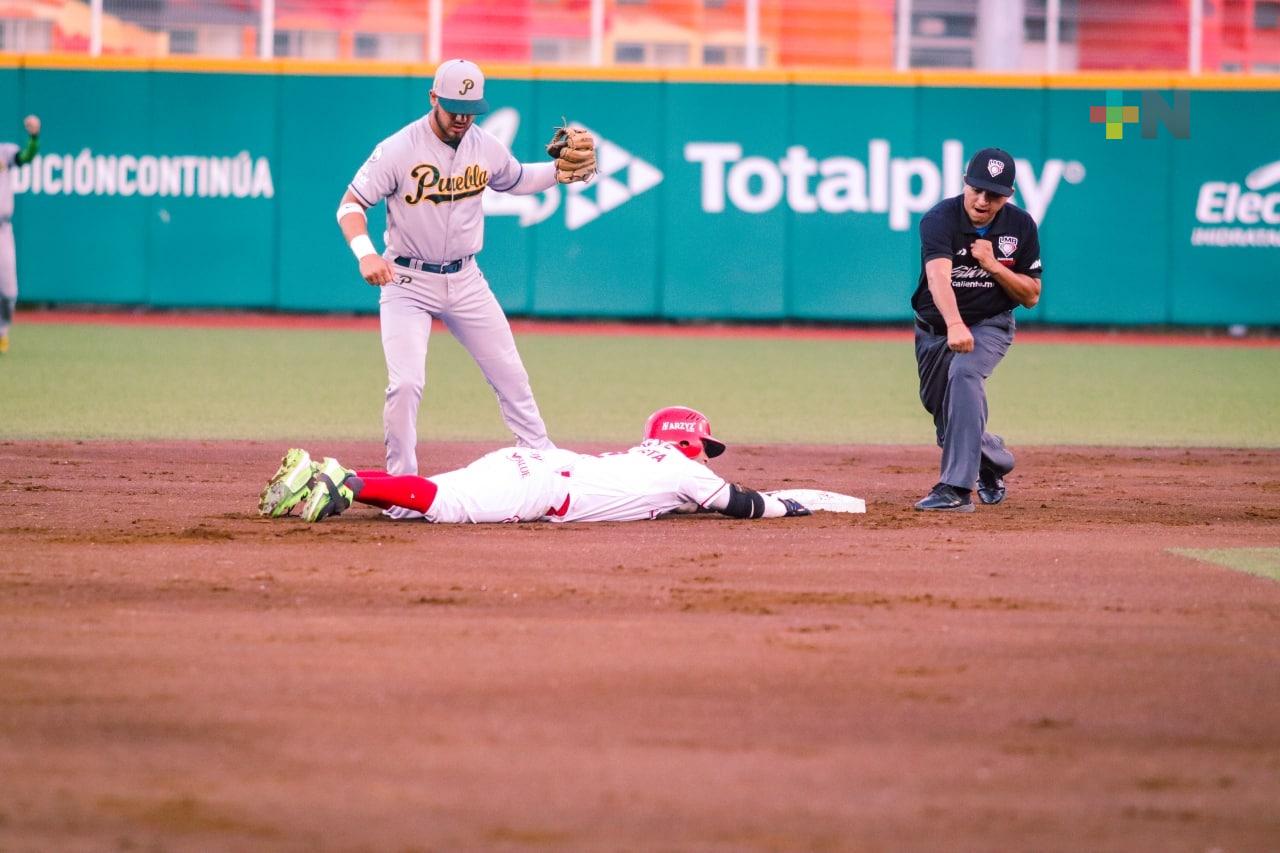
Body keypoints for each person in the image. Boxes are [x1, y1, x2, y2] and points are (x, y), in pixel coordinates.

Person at [335, 59, 595, 515]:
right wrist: (365, 252)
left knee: (511, 375)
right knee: (406, 384)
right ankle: (401, 488)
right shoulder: (398, 148)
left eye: (470, 108)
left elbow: (515, 180)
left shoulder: (483, 144)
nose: (462, 117)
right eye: (454, 106)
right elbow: (350, 203)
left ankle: (546, 462)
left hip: (466, 279)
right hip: (407, 280)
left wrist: (556, 172)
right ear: (433, 98)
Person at [257, 406, 815, 524]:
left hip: (531, 462)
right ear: (689, 442)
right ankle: (344, 484)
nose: (708, 455)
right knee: (441, 504)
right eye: (706, 446)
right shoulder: (683, 469)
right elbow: (740, 504)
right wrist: (789, 507)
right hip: (542, 484)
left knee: (427, 492)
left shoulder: (654, 462)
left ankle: (337, 476)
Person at [910, 147, 1042, 512]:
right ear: (965, 183)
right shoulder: (940, 219)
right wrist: (954, 324)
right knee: (944, 416)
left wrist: (995, 265)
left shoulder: (1020, 226)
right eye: (977, 189)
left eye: (994, 194)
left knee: (965, 374)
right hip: (937, 328)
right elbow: (938, 276)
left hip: (990, 324)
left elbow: (1031, 295)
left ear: (1008, 195)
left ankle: (955, 489)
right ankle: (992, 459)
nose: (983, 200)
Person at [0, 114, 41, 355]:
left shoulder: (5, 152)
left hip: (2, 229)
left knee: (8, 291)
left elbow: (26, 156)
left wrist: (34, 137)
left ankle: (2, 331)